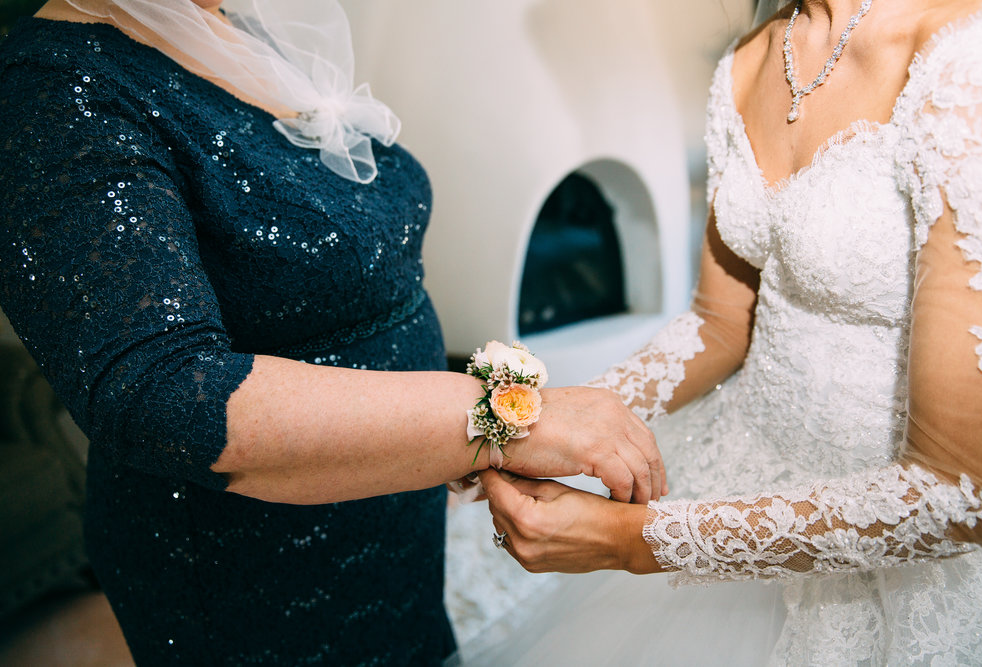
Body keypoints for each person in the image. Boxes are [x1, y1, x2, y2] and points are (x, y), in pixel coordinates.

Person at [0, 0, 666, 664]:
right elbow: (171, 396)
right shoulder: (56, 87)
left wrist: (431, 439)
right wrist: (506, 419)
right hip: (255, 565)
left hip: (383, 516)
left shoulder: (234, 27)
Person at [473, 0, 982, 664]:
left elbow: (959, 493)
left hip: (886, 550)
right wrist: (555, 419)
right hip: (736, 461)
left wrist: (637, 540)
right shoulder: (752, 59)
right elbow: (719, 323)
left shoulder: (972, 63)